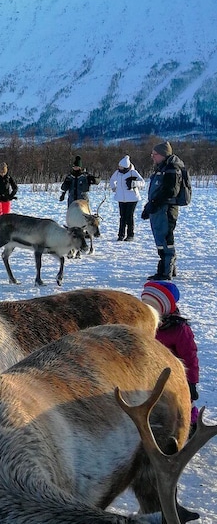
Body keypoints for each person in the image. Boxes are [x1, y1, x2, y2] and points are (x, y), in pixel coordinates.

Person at [140, 280, 199, 432]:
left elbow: (190, 357)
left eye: (151, 307)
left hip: (175, 375)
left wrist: (191, 382)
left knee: (182, 401)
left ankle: (191, 422)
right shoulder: (144, 325)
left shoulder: (179, 330)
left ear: (163, 308)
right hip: (150, 373)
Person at [141, 141, 185, 280]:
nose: (152, 157)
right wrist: (150, 206)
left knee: (165, 239)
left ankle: (165, 271)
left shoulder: (172, 169)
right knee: (161, 239)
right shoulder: (162, 168)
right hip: (159, 210)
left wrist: (154, 203)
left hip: (165, 210)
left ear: (163, 155)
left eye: (155, 154)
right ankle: (168, 268)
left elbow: (170, 191)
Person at [108, 155, 145, 242]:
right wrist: (114, 188)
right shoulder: (117, 173)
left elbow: (142, 182)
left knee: (129, 216)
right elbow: (112, 180)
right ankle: (121, 235)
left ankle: (130, 235)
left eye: (121, 167)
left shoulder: (133, 172)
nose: (119, 168)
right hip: (121, 198)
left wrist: (134, 184)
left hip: (132, 198)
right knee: (122, 217)